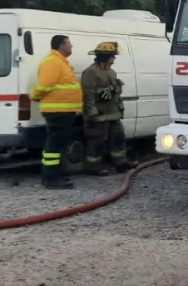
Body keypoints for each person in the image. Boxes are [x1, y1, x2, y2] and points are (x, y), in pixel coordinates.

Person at [29, 35, 82, 190]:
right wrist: (34, 95)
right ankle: (51, 178)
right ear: (61, 45)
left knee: (59, 145)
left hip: (63, 110)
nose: (71, 46)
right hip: (57, 111)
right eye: (69, 44)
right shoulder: (52, 62)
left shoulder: (60, 62)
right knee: (54, 145)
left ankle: (56, 175)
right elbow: (45, 85)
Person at [80, 42, 137, 176]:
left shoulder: (111, 72)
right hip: (99, 114)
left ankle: (121, 163)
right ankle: (93, 167)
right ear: (105, 57)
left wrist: (115, 88)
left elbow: (115, 90)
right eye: (112, 56)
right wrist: (92, 113)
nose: (114, 59)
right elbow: (88, 94)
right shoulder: (90, 72)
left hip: (112, 113)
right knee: (97, 141)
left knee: (118, 137)